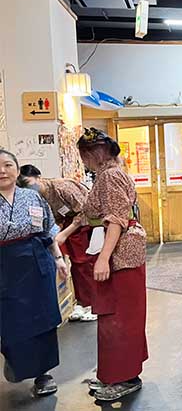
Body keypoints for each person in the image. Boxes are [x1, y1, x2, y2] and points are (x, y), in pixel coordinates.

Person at [68, 128, 148, 402]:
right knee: (115, 316)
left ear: (93, 154)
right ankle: (116, 373)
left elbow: (116, 218)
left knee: (119, 317)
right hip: (119, 252)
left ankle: (123, 376)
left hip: (120, 255)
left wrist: (103, 258)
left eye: (84, 155)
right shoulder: (110, 174)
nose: (84, 161)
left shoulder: (111, 176)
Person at [0, 150, 68, 397]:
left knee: (43, 318)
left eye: (8, 165)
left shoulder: (32, 197)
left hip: (37, 261)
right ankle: (16, 362)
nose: (3, 171)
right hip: (4, 265)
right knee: (11, 321)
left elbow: (49, 229)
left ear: (17, 170)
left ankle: (44, 374)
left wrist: (58, 258)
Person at [19, 165, 97, 322]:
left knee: (84, 263)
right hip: (66, 226)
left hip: (84, 223)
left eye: (28, 182)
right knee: (72, 264)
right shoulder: (35, 197)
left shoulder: (62, 187)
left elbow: (86, 210)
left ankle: (94, 305)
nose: (27, 188)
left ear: (38, 177)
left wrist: (65, 232)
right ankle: (81, 302)